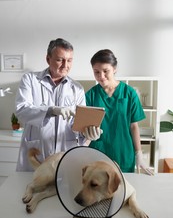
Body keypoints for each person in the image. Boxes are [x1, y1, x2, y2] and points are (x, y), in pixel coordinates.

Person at [15, 38, 87, 171]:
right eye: (60, 59)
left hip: (64, 155)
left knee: (63, 189)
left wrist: (87, 133)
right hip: (37, 153)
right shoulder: (30, 80)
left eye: (69, 60)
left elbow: (78, 125)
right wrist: (51, 110)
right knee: (30, 189)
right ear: (48, 59)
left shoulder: (77, 88)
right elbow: (21, 110)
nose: (65, 65)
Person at [85, 49, 152, 175]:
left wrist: (139, 154)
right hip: (98, 154)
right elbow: (85, 128)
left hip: (123, 154)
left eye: (106, 71)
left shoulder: (129, 93)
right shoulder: (90, 95)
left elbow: (134, 126)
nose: (101, 76)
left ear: (114, 68)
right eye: (96, 72)